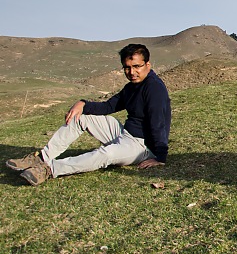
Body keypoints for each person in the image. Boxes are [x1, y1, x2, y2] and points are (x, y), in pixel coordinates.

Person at [6, 44, 171, 186]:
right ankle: (42, 158)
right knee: (81, 116)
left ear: (147, 65)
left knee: (107, 154)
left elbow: (159, 122)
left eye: (137, 66)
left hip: (141, 146)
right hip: (125, 134)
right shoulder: (131, 87)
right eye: (127, 67)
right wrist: (83, 104)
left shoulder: (154, 88)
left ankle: (49, 169)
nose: (132, 72)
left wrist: (160, 156)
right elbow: (108, 106)